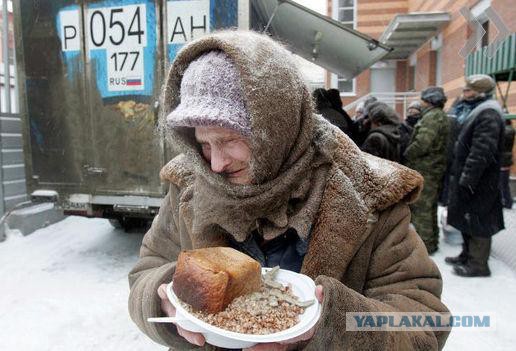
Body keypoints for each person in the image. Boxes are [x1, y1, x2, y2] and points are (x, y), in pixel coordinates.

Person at [128, 30, 449, 350]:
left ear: (277, 128)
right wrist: (167, 298)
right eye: (204, 144)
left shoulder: (371, 194)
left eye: (228, 140)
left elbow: (423, 323)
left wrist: (330, 326)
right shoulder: (189, 184)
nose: (215, 164)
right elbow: (146, 271)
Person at [445, 74, 505, 277]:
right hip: (469, 177)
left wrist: (468, 179)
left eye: (468, 90)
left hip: (479, 181)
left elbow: (481, 151)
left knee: (478, 221)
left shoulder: (488, 114)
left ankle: (478, 264)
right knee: (466, 218)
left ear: (480, 92)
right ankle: (467, 254)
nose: (464, 93)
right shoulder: (475, 110)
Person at [403, 87, 450, 254]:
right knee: (429, 208)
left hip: (427, 169)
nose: (421, 102)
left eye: (423, 99)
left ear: (429, 100)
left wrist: (406, 155)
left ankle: (424, 247)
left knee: (422, 208)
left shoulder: (432, 117)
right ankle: (431, 242)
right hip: (433, 168)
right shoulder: (438, 115)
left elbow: (423, 143)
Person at [500, 119, 515, 209]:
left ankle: (507, 201)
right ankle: (507, 201)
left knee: (503, 183)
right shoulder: (510, 130)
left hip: (504, 160)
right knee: (503, 182)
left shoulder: (507, 131)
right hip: (505, 159)